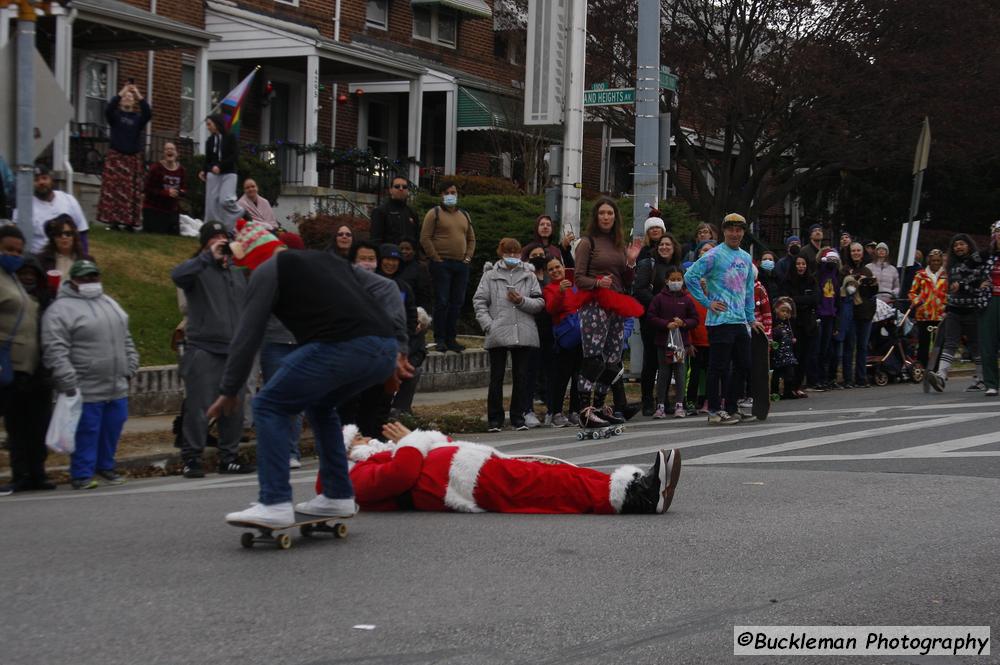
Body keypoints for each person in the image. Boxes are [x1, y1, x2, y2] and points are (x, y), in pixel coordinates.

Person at [207, 221, 410, 529]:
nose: (242, 274)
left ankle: (273, 502)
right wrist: (399, 346)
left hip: (344, 345)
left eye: (242, 266)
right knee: (320, 406)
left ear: (252, 258)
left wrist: (229, 389)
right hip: (382, 349)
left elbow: (247, 333)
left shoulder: (267, 270)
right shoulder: (328, 260)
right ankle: (337, 495)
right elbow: (386, 287)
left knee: (269, 404)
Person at [339, 421, 682, 515]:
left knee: (559, 474)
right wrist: (412, 440)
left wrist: (416, 441)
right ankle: (638, 499)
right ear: (347, 451)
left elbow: (440, 442)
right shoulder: (354, 475)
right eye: (359, 439)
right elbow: (401, 476)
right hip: (468, 483)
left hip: (477, 469)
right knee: (553, 488)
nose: (368, 439)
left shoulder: (376, 456)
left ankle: (637, 487)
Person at [42, 260, 139, 489]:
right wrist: (67, 379)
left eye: (93, 277)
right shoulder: (60, 309)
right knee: (87, 431)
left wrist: (131, 365)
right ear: (73, 281)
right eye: (84, 278)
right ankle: (82, 473)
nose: (90, 282)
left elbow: (126, 338)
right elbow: (55, 348)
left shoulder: (109, 303)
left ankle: (106, 466)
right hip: (85, 386)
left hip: (116, 384)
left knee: (112, 428)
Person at [170, 220, 254, 478]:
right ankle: (191, 458)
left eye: (223, 237)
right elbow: (177, 275)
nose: (220, 241)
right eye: (214, 237)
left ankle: (228, 457)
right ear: (205, 242)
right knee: (199, 406)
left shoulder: (236, 272)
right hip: (203, 348)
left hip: (234, 349)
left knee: (234, 407)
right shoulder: (197, 269)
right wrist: (207, 257)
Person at [684, 213, 764, 425]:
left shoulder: (746, 258)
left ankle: (731, 406)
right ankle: (714, 411)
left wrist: (751, 319)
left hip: (739, 321)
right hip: (719, 321)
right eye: (731, 229)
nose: (735, 233)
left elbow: (748, 291)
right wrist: (707, 302)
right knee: (718, 367)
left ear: (743, 233)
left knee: (744, 365)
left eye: (739, 230)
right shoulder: (715, 254)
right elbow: (690, 276)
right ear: (724, 231)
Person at [572, 197, 644, 427]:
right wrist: (596, 283)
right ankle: (584, 409)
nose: (606, 217)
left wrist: (631, 262)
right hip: (594, 304)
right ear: (596, 216)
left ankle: (602, 407)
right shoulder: (587, 243)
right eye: (602, 213)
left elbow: (627, 280)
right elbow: (578, 278)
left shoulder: (618, 244)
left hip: (616, 305)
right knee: (593, 358)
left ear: (615, 217)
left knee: (613, 358)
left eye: (610, 213)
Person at [0, 227, 55, 493]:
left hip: (35, 366)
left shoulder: (16, 283)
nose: (14, 255)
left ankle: (37, 473)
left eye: (18, 251)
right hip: (11, 366)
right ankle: (20, 473)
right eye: (8, 249)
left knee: (37, 424)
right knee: (17, 425)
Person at [473, 238, 544, 432]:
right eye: (508, 252)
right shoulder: (490, 275)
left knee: (521, 376)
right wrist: (489, 325)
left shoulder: (529, 275)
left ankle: (517, 417)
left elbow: (539, 303)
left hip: (523, 330)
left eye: (515, 252)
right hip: (498, 330)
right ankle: (494, 419)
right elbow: (479, 301)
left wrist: (521, 301)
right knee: (496, 377)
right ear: (500, 253)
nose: (512, 256)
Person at [421, 180, 476, 353]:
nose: (451, 195)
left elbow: (471, 239)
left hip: (461, 266)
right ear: (442, 195)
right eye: (447, 193)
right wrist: (436, 258)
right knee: (442, 302)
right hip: (441, 264)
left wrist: (467, 258)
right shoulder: (434, 213)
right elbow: (425, 237)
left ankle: (452, 338)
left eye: (454, 192)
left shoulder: (464, 215)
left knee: (456, 303)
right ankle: (440, 338)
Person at [927, 233, 986, 392]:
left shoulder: (977, 262)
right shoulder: (951, 265)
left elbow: (979, 284)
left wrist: (963, 286)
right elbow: (950, 287)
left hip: (972, 310)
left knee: (975, 345)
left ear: (969, 245)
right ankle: (941, 376)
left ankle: (981, 378)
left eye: (962, 244)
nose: (958, 247)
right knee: (950, 342)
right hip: (954, 310)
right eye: (956, 245)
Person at [634, 233, 680, 415]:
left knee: (668, 361)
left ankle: (663, 399)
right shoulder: (648, 265)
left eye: (668, 244)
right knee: (651, 360)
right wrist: (660, 305)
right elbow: (639, 289)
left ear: (674, 247)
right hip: (652, 320)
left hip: (672, 322)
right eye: (662, 244)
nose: (664, 247)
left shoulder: (676, 267)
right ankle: (646, 400)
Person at [379, 243, 428, 418]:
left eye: (394, 260)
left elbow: (410, 316)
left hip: (397, 344)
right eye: (387, 259)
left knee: (412, 371)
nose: (391, 264)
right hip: (375, 344)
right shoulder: (371, 283)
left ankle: (399, 411)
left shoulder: (403, 287)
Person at [96, 82, 151, 231]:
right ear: (121, 101)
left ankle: (130, 223)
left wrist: (137, 94)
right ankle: (113, 221)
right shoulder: (115, 116)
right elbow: (108, 109)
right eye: (125, 97)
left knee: (131, 192)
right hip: (116, 156)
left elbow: (148, 113)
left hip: (131, 158)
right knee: (113, 190)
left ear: (134, 102)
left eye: (130, 97)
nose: (128, 98)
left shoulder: (138, 119)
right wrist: (122, 92)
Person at [647, 267, 697, 419]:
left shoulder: (687, 299)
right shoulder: (659, 298)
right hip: (664, 342)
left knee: (680, 372)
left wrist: (684, 323)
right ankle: (660, 405)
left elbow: (695, 319)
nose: (676, 282)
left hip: (681, 342)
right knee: (663, 373)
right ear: (666, 281)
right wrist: (665, 324)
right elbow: (651, 316)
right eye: (673, 279)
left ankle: (680, 405)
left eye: (678, 279)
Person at [14, 165, 90, 254]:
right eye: (36, 180)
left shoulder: (68, 200)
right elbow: (15, 237)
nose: (41, 182)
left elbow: (82, 232)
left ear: (51, 179)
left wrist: (83, 257)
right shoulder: (24, 207)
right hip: (39, 259)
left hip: (69, 256)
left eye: (44, 178)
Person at [543, 256, 583, 427]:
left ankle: (575, 411)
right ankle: (556, 412)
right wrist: (559, 291)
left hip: (580, 335)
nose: (555, 271)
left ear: (563, 267)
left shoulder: (573, 286)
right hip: (565, 337)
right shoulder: (549, 289)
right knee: (562, 377)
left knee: (578, 377)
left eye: (557, 267)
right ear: (547, 272)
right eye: (551, 269)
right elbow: (551, 308)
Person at [840, 242, 878, 388]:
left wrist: (873, 284)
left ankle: (861, 377)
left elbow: (871, 294)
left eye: (858, 251)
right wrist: (855, 280)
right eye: (853, 251)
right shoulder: (844, 270)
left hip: (866, 313)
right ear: (849, 253)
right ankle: (848, 379)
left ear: (862, 253)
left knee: (862, 347)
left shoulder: (867, 270)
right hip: (850, 314)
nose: (856, 253)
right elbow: (846, 291)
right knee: (849, 347)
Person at [199, 113, 242, 229]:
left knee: (225, 200)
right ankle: (213, 227)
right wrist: (204, 170)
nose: (208, 127)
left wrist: (220, 166)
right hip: (214, 174)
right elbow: (208, 159)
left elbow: (235, 155)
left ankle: (240, 212)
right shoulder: (210, 141)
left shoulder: (230, 137)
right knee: (211, 203)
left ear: (216, 123)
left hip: (229, 173)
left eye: (209, 124)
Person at [784, 256, 818, 397]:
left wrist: (798, 300)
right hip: (793, 323)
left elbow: (815, 299)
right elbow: (787, 300)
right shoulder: (787, 281)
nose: (801, 266)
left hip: (808, 324)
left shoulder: (811, 280)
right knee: (793, 356)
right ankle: (789, 387)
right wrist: (803, 301)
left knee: (804, 356)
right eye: (798, 264)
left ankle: (798, 385)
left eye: (803, 263)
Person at [908, 248, 947, 371]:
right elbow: (912, 292)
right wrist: (917, 302)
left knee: (938, 344)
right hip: (924, 315)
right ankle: (923, 367)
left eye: (938, 260)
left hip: (941, 315)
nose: (935, 262)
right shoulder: (921, 274)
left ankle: (936, 370)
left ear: (941, 261)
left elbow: (951, 292)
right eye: (933, 260)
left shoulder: (946, 275)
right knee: (923, 343)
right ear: (929, 261)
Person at [142, 142, 187, 235]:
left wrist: (179, 192)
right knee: (157, 232)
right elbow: (147, 188)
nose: (169, 151)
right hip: (154, 208)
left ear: (177, 153)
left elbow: (184, 189)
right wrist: (165, 193)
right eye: (167, 149)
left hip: (171, 210)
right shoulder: (156, 168)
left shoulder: (181, 170)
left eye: (172, 149)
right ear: (163, 153)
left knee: (173, 233)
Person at [35, 215, 94, 285]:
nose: (64, 237)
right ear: (53, 238)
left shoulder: (87, 261)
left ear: (74, 237)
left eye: (68, 234)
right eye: (59, 234)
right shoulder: (41, 260)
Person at [815, 248, 842, 389]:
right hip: (821, 315)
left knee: (830, 350)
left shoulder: (835, 276)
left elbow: (837, 299)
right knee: (821, 349)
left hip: (832, 315)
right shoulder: (820, 274)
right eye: (829, 260)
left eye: (835, 261)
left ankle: (828, 378)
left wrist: (837, 320)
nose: (832, 263)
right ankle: (819, 378)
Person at [979, 222, 1000, 397]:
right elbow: (965, 271)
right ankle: (991, 383)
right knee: (988, 343)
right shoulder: (986, 256)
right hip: (990, 301)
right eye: (997, 233)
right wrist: (978, 283)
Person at [370, 176, 420, 248]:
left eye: (404, 187)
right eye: (397, 186)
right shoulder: (380, 211)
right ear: (390, 190)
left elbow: (417, 238)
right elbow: (375, 240)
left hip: (409, 257)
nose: (401, 189)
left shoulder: (412, 213)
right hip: (389, 257)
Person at [770, 299, 798, 399]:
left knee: (789, 374)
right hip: (779, 353)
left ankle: (788, 391)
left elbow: (790, 336)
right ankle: (774, 392)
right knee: (777, 374)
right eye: (783, 311)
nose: (785, 314)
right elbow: (774, 336)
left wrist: (792, 340)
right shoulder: (775, 324)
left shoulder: (788, 325)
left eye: (787, 312)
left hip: (788, 353)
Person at [397, 239, 433, 312]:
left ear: (414, 251)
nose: (404, 251)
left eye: (407, 249)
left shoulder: (420, 268)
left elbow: (424, 294)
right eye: (401, 249)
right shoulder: (394, 266)